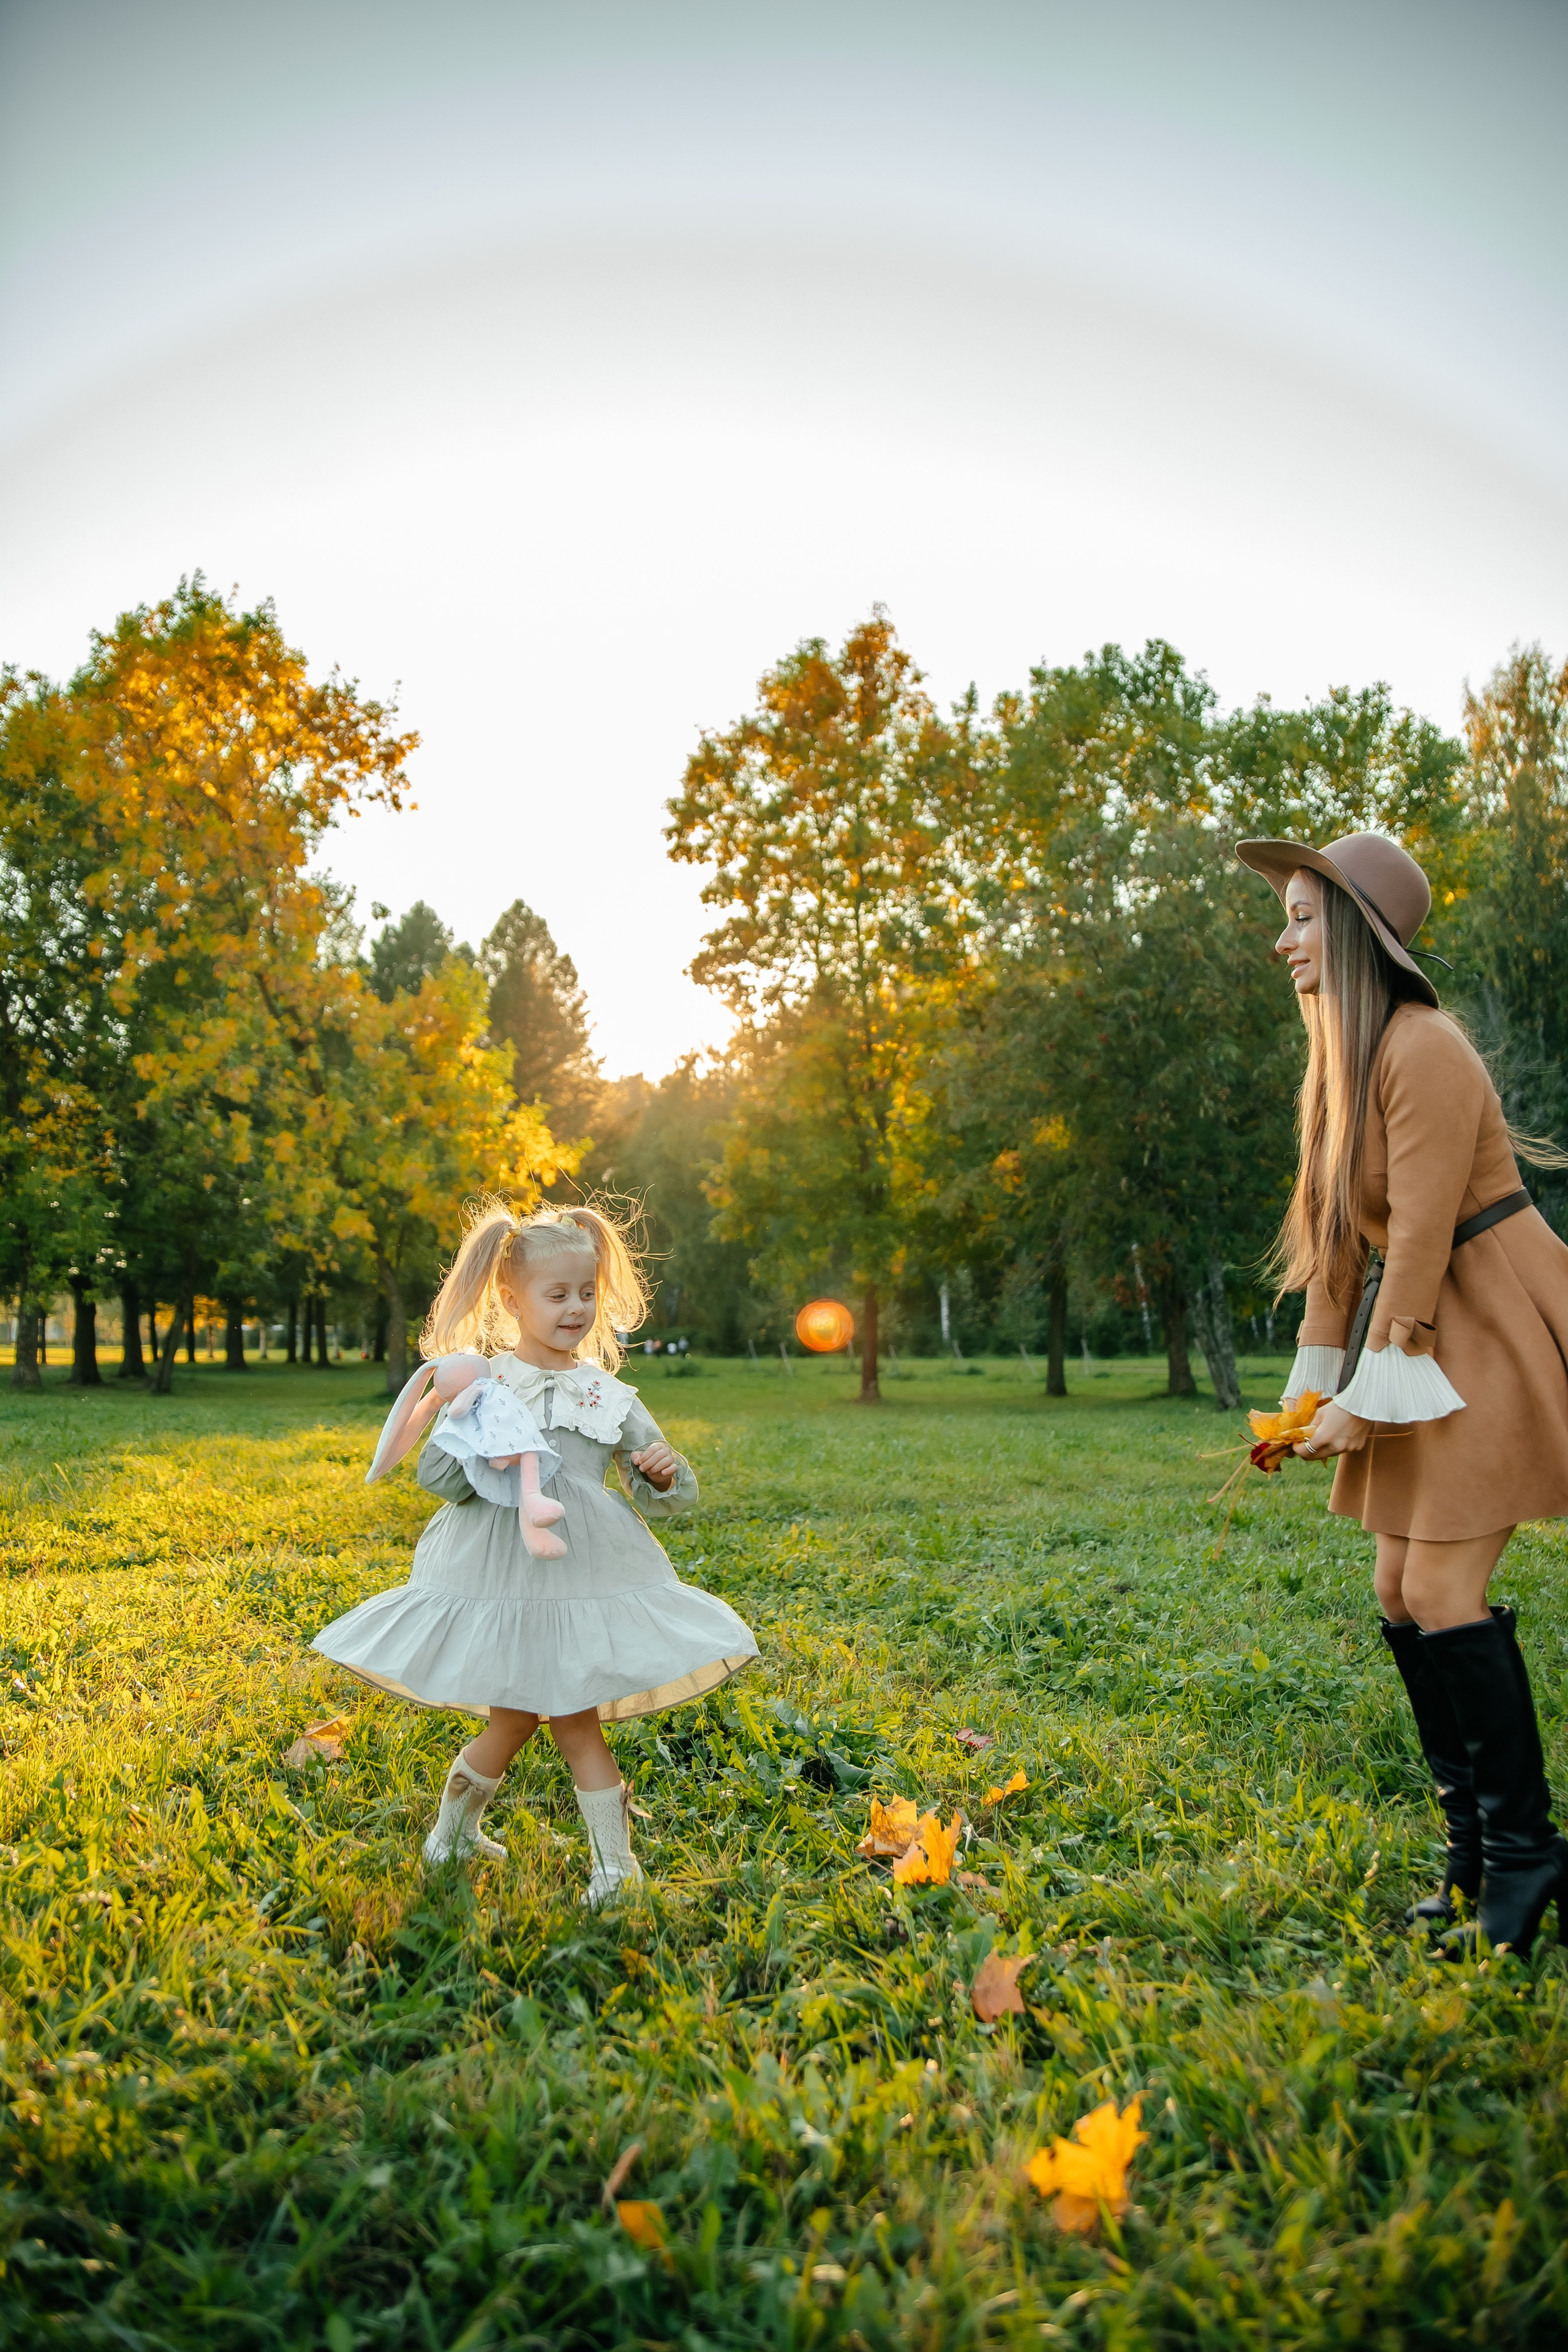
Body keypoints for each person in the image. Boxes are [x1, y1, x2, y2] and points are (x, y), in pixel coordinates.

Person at [1238, 829, 1568, 1958]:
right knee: (1396, 1586)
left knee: (1439, 1586)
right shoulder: (1337, 1066)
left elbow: (1421, 1244)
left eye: (1299, 914)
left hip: (1488, 1321)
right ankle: (1476, 1854)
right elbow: (1338, 1251)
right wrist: (1305, 1399)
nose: (1281, 938)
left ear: (1356, 928)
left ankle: (1527, 1858)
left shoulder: (1424, 1047)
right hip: (1422, 1325)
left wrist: (1371, 1397)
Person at [311, 1200, 758, 1904]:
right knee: (513, 1718)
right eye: (557, 1295)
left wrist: (661, 1472)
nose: (575, 1308)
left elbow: (658, 1486)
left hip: (579, 1570)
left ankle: (614, 1869)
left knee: (574, 1717)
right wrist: (466, 1426)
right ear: (513, 1300)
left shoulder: (605, 1394)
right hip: (496, 1571)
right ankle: (452, 1836)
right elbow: (438, 1479)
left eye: (587, 1293)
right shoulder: (485, 1381)